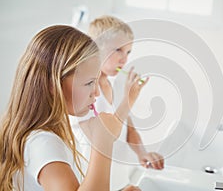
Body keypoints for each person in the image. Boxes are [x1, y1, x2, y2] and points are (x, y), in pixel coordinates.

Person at [0, 25, 145, 191]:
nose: (96, 92)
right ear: (52, 85)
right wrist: (103, 143)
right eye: (90, 83)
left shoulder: (50, 134)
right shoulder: (43, 143)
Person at [88, 15, 165, 190]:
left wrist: (142, 153)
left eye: (128, 52)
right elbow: (106, 134)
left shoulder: (114, 85)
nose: (125, 59)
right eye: (118, 50)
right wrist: (129, 101)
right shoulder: (88, 92)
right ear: (95, 47)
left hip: (117, 180)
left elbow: (129, 129)